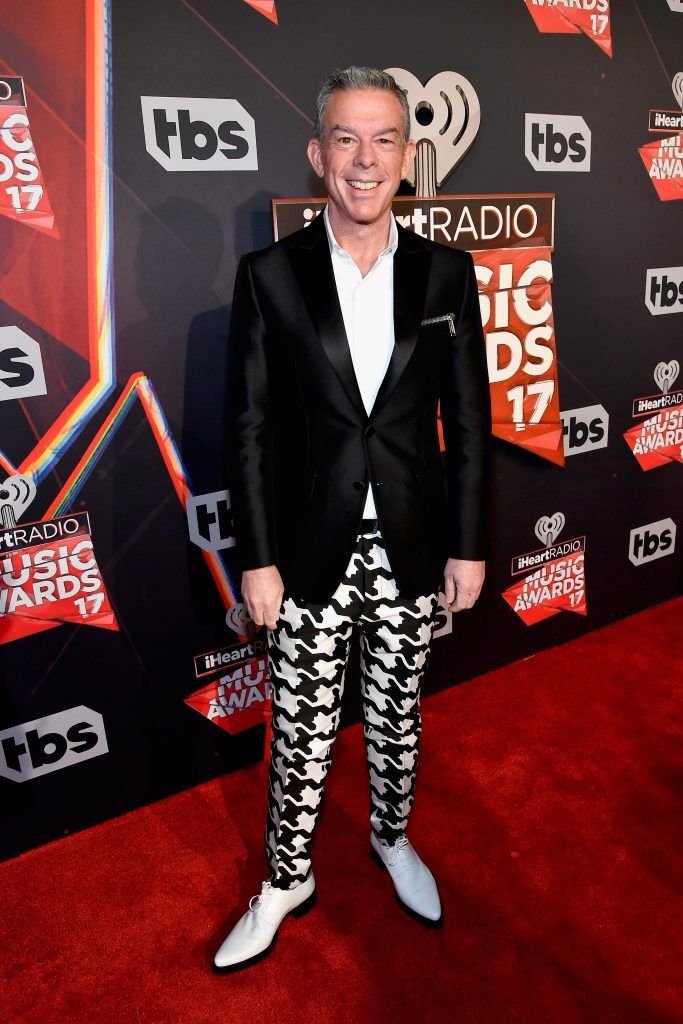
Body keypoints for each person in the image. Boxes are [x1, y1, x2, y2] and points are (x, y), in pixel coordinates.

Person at [214, 66, 491, 972]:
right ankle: (286, 879)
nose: (363, 160)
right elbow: (247, 429)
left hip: (411, 544)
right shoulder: (268, 273)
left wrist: (468, 545)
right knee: (297, 726)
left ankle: (391, 837)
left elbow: (470, 424)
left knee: (397, 715)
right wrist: (256, 560)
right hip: (304, 551)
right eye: (345, 138)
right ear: (316, 152)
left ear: (407, 158)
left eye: (382, 140)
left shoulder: (447, 272)